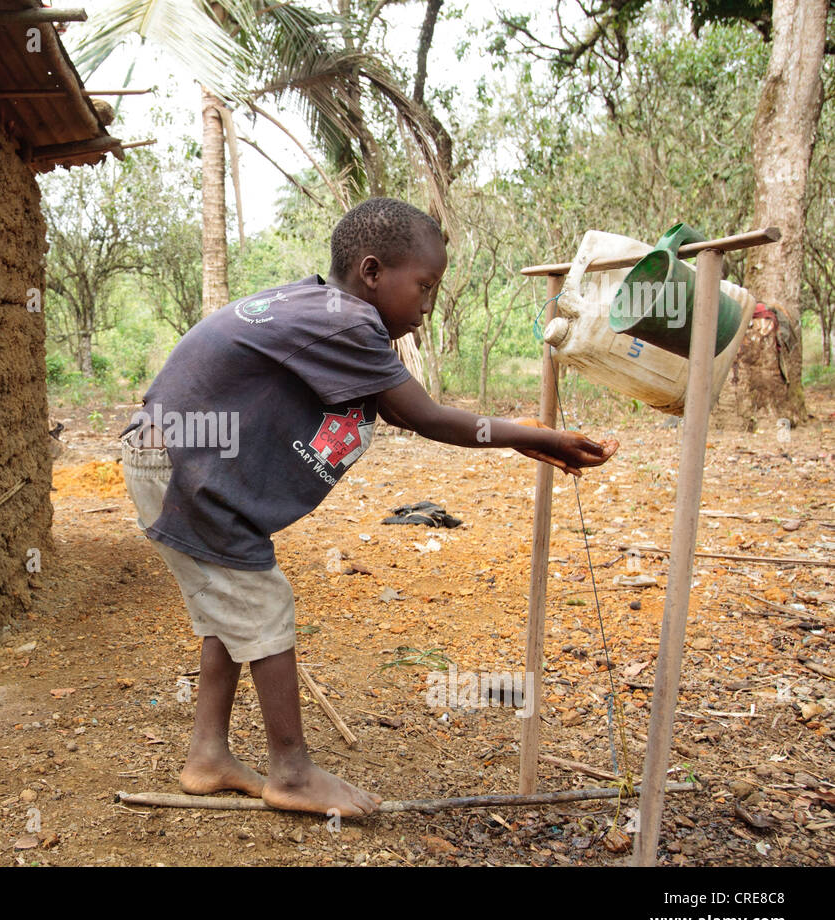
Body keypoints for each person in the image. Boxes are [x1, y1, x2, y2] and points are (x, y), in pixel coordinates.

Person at [120, 198, 617, 816]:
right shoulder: (347, 322)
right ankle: (292, 772)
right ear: (373, 271)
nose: (429, 306)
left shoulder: (326, 312)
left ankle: (209, 755)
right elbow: (426, 416)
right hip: (184, 468)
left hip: (178, 460)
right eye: (424, 287)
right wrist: (534, 435)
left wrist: (524, 436)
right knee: (260, 598)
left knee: (232, 606)